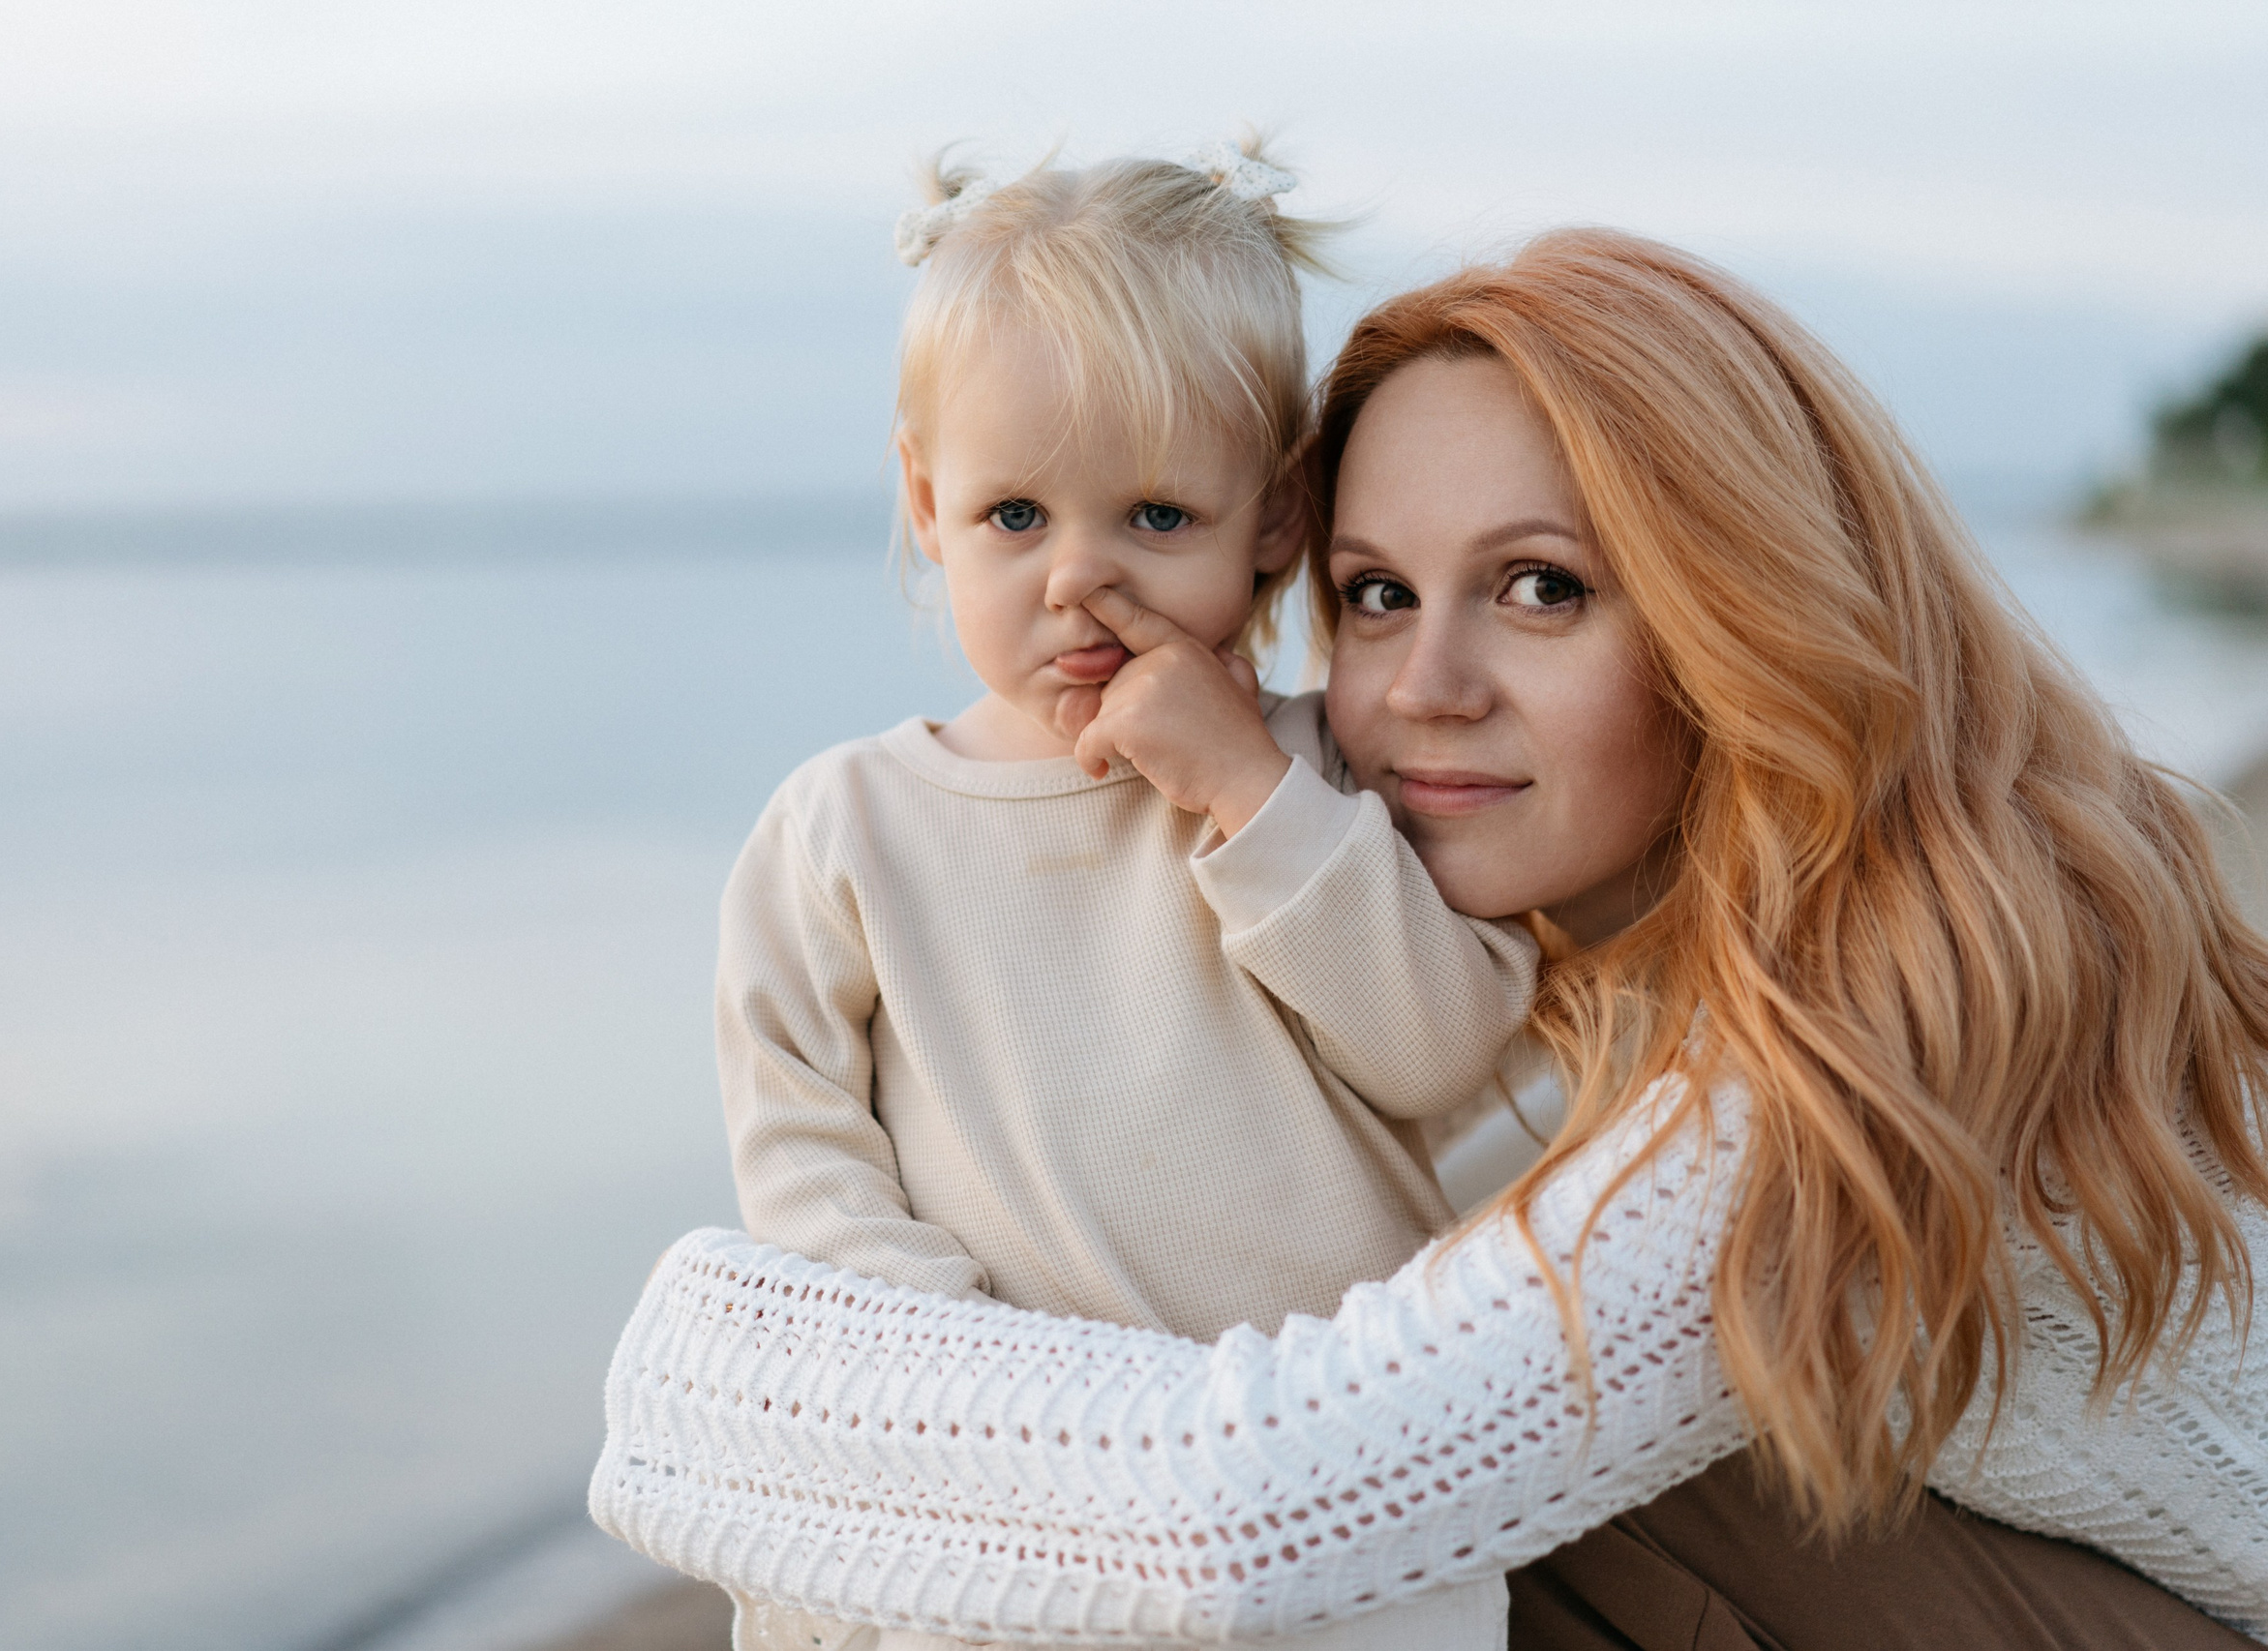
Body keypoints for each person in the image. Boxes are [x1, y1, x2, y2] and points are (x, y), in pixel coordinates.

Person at [596, 227, 2268, 1648]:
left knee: (1470, 1479)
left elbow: (1257, 1497)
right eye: (1378, 594)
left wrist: (708, 1360)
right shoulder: (1709, 941)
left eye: (1543, 587)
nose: (1421, 690)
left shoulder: (1853, 1031)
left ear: (1734, 612)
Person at [710, 140, 1537, 1651]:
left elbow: (1441, 1048)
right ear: (924, 494)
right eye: (1016, 516)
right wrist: (990, 1396)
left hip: (1327, 1506)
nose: (1079, 579)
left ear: (1277, 515)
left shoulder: (1327, 769)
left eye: (1156, 516)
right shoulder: (845, 829)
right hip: (1005, 1512)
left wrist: (1247, 792)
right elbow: (806, 1178)